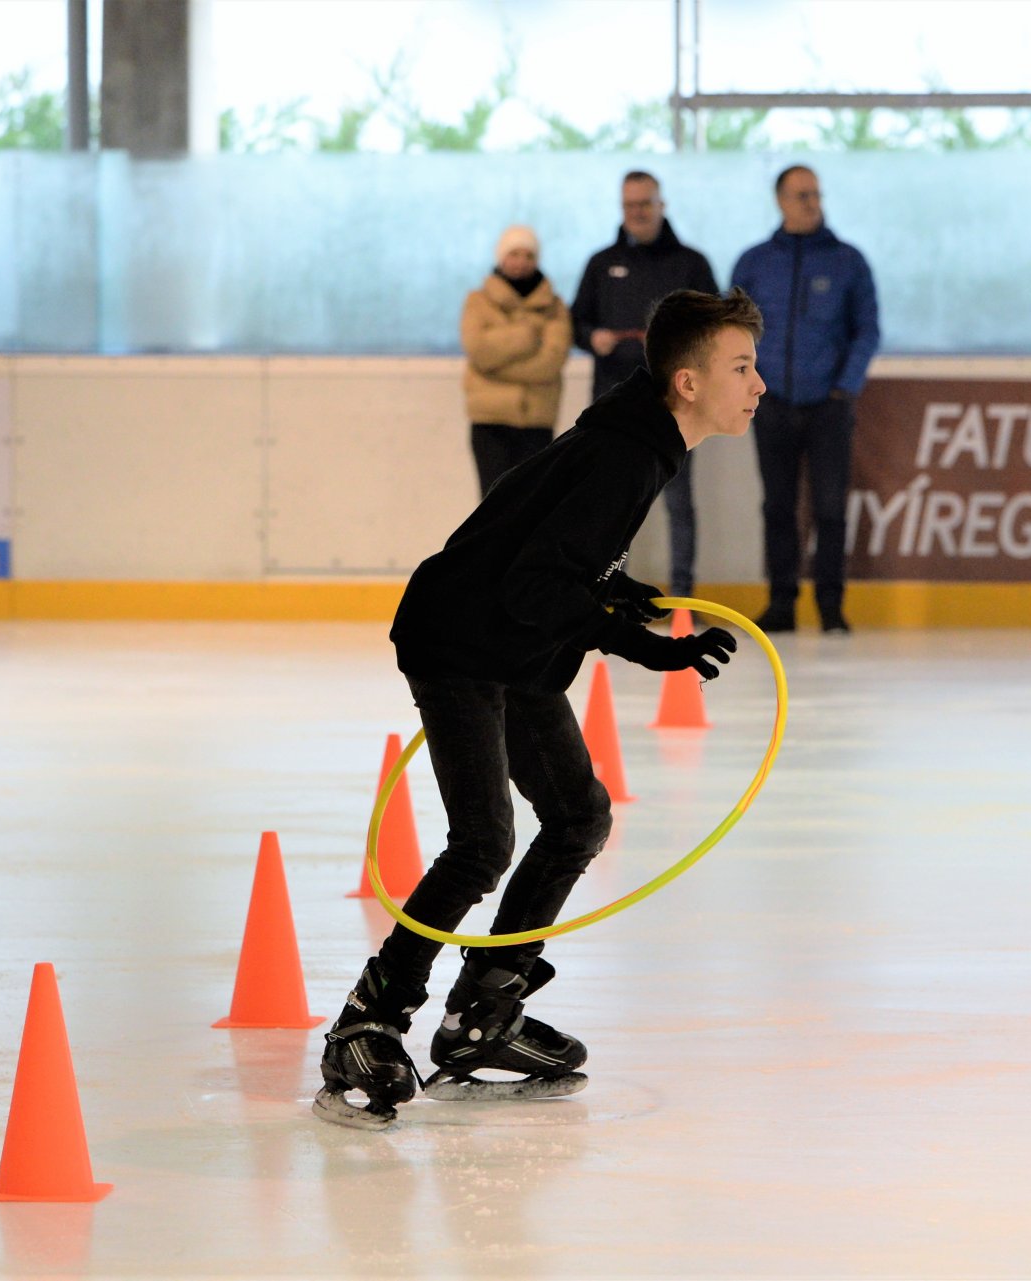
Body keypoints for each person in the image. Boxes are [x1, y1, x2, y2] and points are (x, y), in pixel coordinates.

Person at [315, 289, 766, 1130]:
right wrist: (646, 646)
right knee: (483, 841)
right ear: (687, 382)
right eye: (741, 367)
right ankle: (367, 1021)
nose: (759, 384)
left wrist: (626, 603)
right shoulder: (625, 455)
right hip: (461, 642)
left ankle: (485, 1011)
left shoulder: (640, 444)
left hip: (515, 647)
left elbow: (564, 565)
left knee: (577, 816)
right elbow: (533, 583)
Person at [731, 164, 880, 634]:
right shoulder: (754, 262)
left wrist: (844, 388)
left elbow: (867, 329)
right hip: (769, 403)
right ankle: (781, 603)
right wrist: (744, 383)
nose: (811, 202)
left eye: (815, 193)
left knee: (830, 508)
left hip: (828, 407)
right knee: (777, 506)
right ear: (780, 200)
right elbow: (730, 331)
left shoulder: (848, 261)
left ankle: (831, 606)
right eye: (801, 195)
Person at [571, 172, 720, 597]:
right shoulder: (601, 263)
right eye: (629, 205)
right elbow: (576, 321)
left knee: (678, 503)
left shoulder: (691, 263)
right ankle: (608, 596)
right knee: (613, 506)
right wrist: (591, 337)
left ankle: (682, 601)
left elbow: (715, 327)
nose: (637, 212)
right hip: (614, 405)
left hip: (677, 406)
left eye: (645, 203)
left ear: (661, 204)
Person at [461, 224, 574, 497]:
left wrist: (499, 365)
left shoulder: (555, 307)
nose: (521, 262)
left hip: (536, 423)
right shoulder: (478, 302)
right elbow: (479, 351)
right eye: (514, 254)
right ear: (501, 257)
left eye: (528, 255)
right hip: (490, 422)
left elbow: (551, 362)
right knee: (492, 505)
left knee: (531, 506)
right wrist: (524, 337)